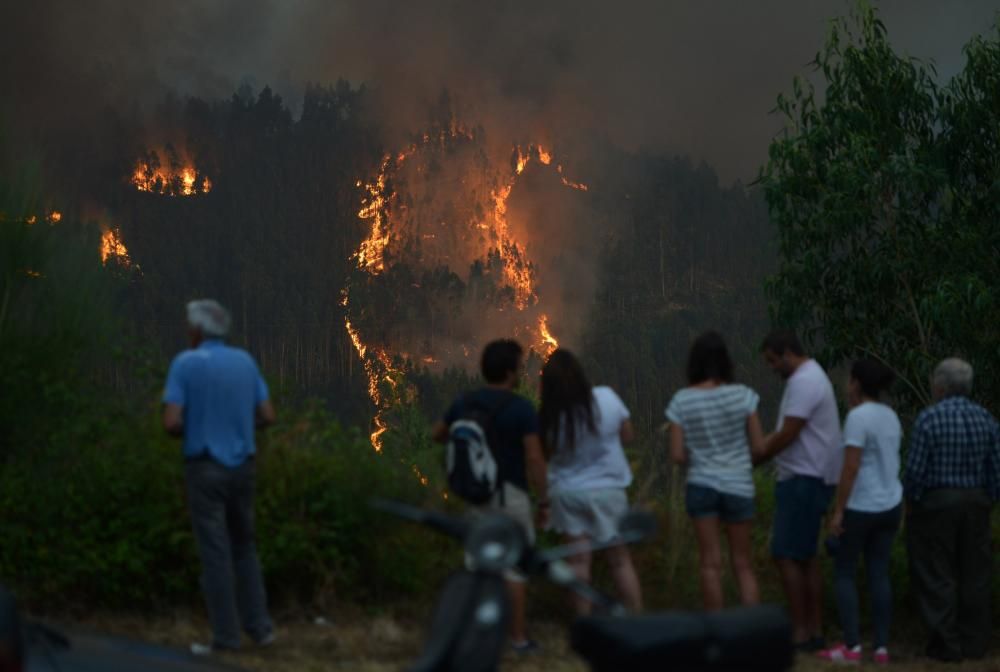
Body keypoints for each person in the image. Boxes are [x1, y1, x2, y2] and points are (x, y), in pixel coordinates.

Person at [162, 299, 276, 655]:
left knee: (215, 553)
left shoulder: (185, 363)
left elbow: (171, 421)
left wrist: (194, 426)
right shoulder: (245, 362)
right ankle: (260, 630)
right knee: (245, 547)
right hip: (243, 467)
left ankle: (226, 637)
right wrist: (240, 426)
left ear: (196, 331)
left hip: (205, 467)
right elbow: (268, 415)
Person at [431, 339, 548, 653]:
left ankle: (473, 635)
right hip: (510, 495)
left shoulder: (465, 402)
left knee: (477, 564)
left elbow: (437, 434)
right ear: (511, 373)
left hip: (477, 497)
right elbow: (535, 458)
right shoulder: (521, 408)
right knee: (515, 565)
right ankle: (517, 638)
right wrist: (545, 498)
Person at [904, 358, 1000, 663]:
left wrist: (911, 503)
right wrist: (988, 500)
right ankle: (974, 643)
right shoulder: (987, 419)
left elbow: (915, 471)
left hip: (938, 504)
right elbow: (996, 470)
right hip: (976, 503)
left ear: (941, 386)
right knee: (976, 574)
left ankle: (946, 643)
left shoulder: (929, 419)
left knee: (937, 573)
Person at [756, 330, 842, 651]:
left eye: (773, 361)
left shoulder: (805, 381)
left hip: (804, 478)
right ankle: (812, 630)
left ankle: (802, 632)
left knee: (786, 552)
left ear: (788, 352)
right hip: (810, 476)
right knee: (805, 555)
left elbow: (789, 432)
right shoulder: (810, 378)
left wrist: (756, 455)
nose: (772, 368)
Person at [540, 349, 643, 615]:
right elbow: (628, 435)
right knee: (619, 560)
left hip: (568, 493)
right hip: (608, 490)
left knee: (578, 561)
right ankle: (635, 619)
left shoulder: (550, 416)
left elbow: (547, 454)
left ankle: (582, 626)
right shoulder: (606, 398)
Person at [666, 332, 764, 611]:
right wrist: (738, 463)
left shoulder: (682, 401)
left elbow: (676, 454)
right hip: (739, 485)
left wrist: (700, 458)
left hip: (702, 484)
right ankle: (750, 634)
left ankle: (717, 635)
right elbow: (758, 447)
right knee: (743, 564)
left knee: (710, 564)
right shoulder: (744, 396)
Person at [818, 360, 902, 665]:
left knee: (844, 570)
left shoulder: (857, 417)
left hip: (862, 505)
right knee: (879, 573)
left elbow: (850, 467)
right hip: (891, 504)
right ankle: (881, 647)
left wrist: (838, 511)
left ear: (856, 383)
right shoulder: (890, 416)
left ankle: (852, 646)